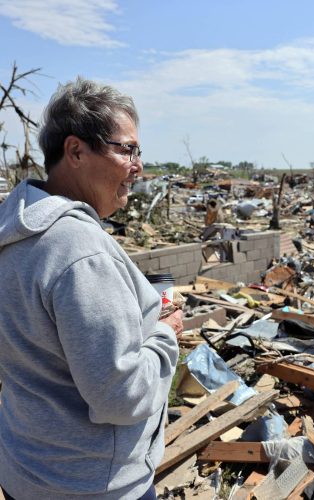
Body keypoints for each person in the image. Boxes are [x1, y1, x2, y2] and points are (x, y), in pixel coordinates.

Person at [0, 78, 182, 499]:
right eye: (128, 149)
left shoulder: (15, 230)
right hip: (91, 485)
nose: (138, 166)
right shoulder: (79, 252)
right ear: (76, 151)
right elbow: (121, 396)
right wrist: (165, 335)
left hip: (27, 469)